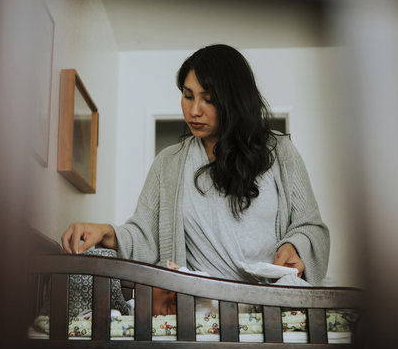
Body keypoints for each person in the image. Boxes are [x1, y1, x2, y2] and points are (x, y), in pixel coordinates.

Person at [62, 44, 329, 286]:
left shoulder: (280, 152)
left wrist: (296, 247)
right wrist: (104, 231)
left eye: (209, 99)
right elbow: (144, 237)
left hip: (272, 308)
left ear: (233, 101)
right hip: (200, 314)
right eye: (188, 96)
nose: (194, 110)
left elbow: (310, 227)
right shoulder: (168, 164)